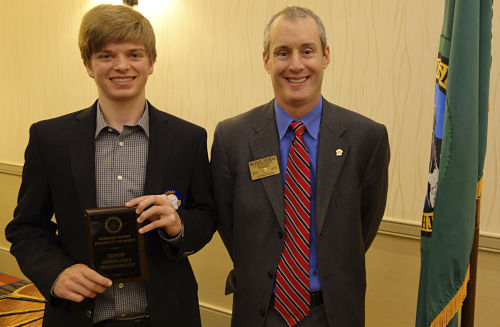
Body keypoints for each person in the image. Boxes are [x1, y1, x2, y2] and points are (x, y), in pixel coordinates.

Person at [5, 4, 215, 327]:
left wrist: (178, 226)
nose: (122, 66)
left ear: (152, 62)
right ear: (88, 65)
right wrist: (56, 273)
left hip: (166, 315)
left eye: (134, 54)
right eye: (106, 56)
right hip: (78, 316)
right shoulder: (49, 139)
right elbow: (25, 229)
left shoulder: (189, 139)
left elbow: (206, 215)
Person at [211, 6, 390, 327]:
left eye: (307, 51)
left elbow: (364, 227)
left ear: (326, 56)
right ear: (266, 60)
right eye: (283, 53)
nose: (296, 65)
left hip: (333, 313)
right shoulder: (231, 137)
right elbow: (229, 225)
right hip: (260, 311)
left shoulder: (367, 138)